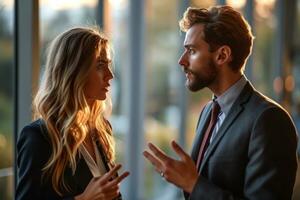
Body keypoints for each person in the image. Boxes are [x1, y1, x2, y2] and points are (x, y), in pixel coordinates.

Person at [143, 5, 298, 200]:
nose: (181, 61)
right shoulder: (209, 110)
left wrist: (192, 183)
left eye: (191, 51)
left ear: (222, 55)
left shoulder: (269, 119)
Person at [16, 27, 129, 200]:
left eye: (109, 65)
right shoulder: (38, 137)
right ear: (74, 70)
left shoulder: (101, 129)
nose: (110, 75)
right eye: (100, 65)